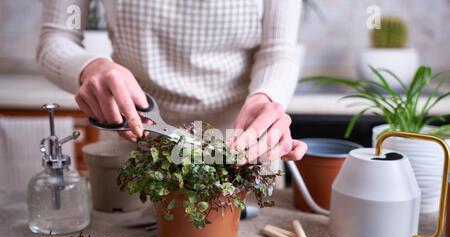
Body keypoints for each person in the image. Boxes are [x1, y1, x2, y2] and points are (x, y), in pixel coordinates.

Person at [37, 0, 307, 163]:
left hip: (238, 145)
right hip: (134, 134)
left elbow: (278, 49)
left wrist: (266, 97)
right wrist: (89, 67)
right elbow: (60, 36)